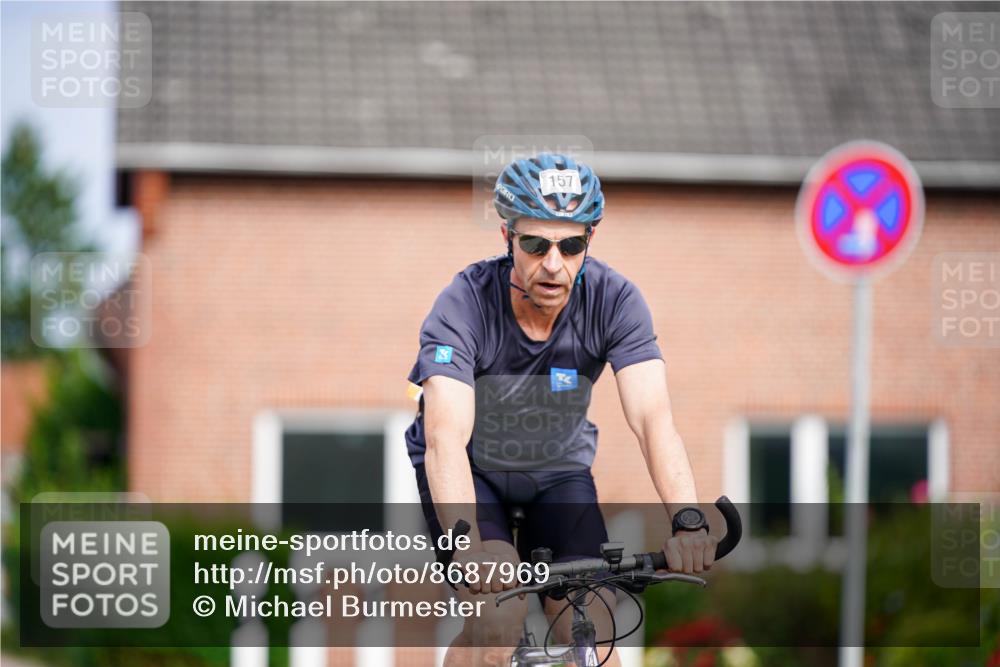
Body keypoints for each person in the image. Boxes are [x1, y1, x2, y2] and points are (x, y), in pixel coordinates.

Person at [405, 153, 716, 666]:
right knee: (497, 617)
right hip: (473, 471)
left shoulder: (616, 301)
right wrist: (467, 548)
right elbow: (444, 438)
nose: (554, 263)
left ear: (588, 242)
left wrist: (687, 520)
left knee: (598, 632)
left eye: (571, 246)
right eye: (536, 244)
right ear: (508, 237)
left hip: (557, 470)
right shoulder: (463, 303)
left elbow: (653, 421)